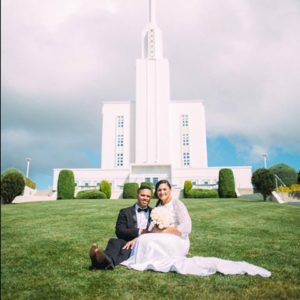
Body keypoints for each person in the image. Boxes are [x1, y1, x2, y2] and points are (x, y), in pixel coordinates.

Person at [121, 180, 271, 277]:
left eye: (164, 190)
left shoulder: (177, 204)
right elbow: (151, 227)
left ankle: (156, 258)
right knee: (146, 240)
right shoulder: (158, 206)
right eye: (159, 190)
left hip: (178, 239)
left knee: (152, 241)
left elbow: (187, 227)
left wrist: (165, 230)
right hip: (163, 236)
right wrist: (146, 234)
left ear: (170, 190)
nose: (162, 193)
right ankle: (145, 260)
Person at [89, 186, 152, 270]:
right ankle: (105, 260)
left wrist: (138, 238)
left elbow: (156, 232)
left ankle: (99, 261)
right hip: (127, 242)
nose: (145, 198)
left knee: (126, 248)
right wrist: (139, 231)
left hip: (146, 243)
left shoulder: (154, 213)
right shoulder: (125, 212)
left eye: (148, 196)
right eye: (143, 195)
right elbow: (120, 231)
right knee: (116, 242)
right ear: (137, 196)